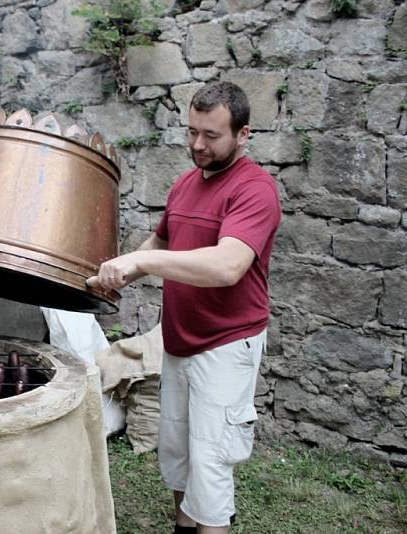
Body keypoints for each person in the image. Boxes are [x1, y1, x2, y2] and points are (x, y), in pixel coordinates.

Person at [90, 81, 281, 533]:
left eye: (211, 136)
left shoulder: (256, 190)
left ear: (244, 134)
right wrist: (120, 271)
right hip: (178, 339)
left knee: (211, 460)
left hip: (227, 343)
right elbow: (162, 239)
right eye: (192, 131)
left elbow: (227, 266)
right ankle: (184, 526)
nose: (197, 144)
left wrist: (142, 260)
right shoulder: (185, 184)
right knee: (176, 450)